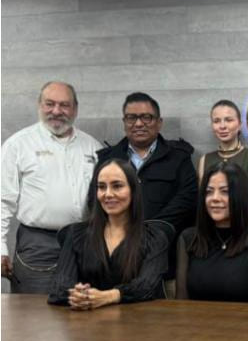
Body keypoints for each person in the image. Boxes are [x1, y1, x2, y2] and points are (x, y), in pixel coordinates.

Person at [1, 81, 102, 293]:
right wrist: (1, 248)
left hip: (84, 244)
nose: (56, 111)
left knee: (83, 308)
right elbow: (2, 201)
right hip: (38, 247)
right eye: (50, 104)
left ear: (75, 109)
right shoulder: (18, 144)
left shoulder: (92, 147)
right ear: (39, 105)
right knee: (35, 310)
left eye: (64, 105)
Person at [96, 92, 198, 291]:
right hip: (118, 264)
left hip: (166, 264)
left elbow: (187, 201)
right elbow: (96, 203)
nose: (139, 123)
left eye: (146, 117)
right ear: (124, 122)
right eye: (131, 117)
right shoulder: (107, 159)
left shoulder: (179, 157)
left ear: (159, 123)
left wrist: (148, 231)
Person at [48, 159, 168, 309]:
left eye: (117, 186)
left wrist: (108, 296)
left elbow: (147, 286)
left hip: (137, 319)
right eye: (101, 187)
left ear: (133, 190)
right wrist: (79, 295)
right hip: (86, 318)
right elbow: (59, 287)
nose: (108, 194)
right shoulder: (76, 234)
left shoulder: (155, 237)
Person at [176, 162, 248, 303]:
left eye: (225, 191)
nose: (215, 198)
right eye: (209, 192)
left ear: (240, 196)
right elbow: (181, 303)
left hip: (247, 317)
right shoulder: (188, 238)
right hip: (196, 317)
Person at [197, 100, 248, 224]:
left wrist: (243, 233)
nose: (222, 126)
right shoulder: (205, 160)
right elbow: (203, 204)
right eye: (217, 121)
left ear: (239, 124)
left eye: (229, 120)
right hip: (214, 232)